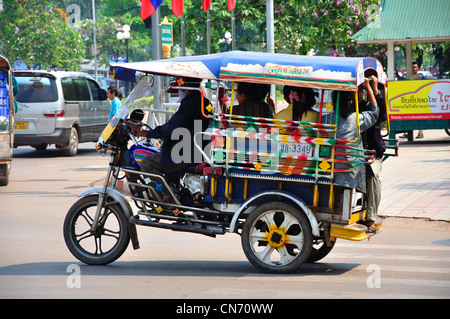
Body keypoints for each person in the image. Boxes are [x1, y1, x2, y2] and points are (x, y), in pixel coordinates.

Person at [136, 77, 211, 176]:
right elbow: (187, 126)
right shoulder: (205, 102)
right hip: (198, 150)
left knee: (146, 163)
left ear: (187, 86)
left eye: (180, 87)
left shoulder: (189, 103)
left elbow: (173, 126)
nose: (180, 91)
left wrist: (147, 133)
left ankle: (164, 192)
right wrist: (167, 135)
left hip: (185, 152)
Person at [331, 78, 379, 222]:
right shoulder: (356, 119)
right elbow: (375, 112)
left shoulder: (327, 118)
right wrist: (369, 88)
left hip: (331, 169)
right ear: (351, 102)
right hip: (351, 170)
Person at [360, 74, 387, 231]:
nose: (362, 92)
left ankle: (370, 218)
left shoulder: (369, 106)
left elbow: (381, 115)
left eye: (363, 90)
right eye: (360, 89)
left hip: (372, 155)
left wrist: (374, 90)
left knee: (373, 176)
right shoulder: (348, 107)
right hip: (354, 154)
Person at [400, 62, 424, 138]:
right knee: (408, 116)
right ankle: (407, 132)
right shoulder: (407, 77)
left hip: (419, 99)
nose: (414, 69)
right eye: (413, 67)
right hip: (410, 99)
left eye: (415, 67)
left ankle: (420, 133)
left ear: (418, 68)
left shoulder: (421, 77)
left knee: (420, 116)